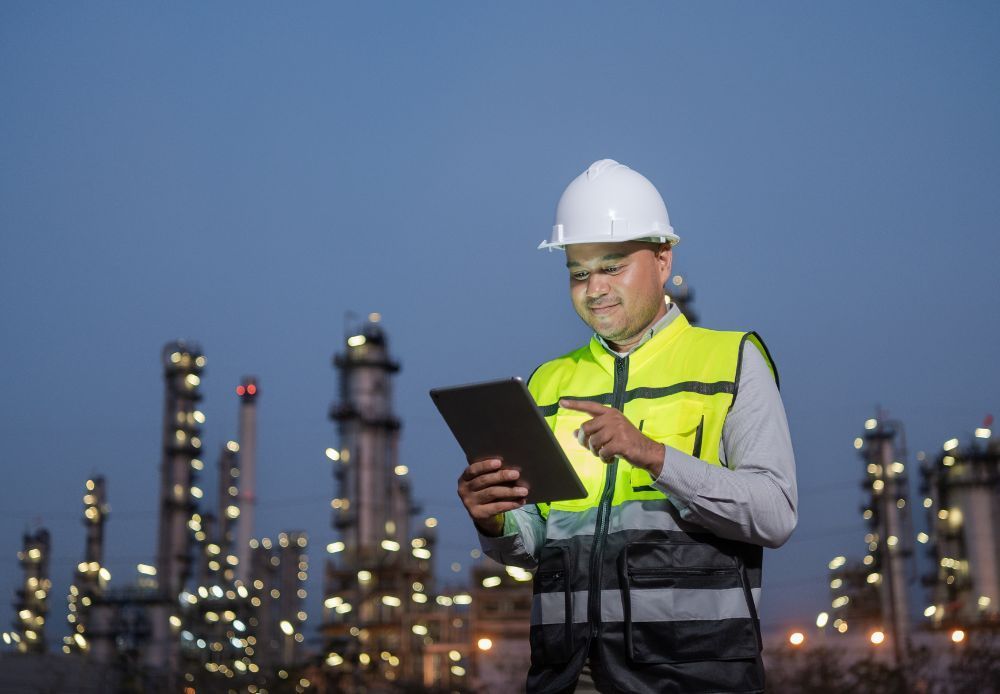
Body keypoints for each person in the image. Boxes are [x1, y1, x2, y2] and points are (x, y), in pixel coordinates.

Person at [456, 159, 797, 693]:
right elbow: (537, 544)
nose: (595, 289)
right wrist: (494, 522)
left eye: (612, 267)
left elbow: (775, 515)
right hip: (566, 676)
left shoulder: (731, 359)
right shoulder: (550, 381)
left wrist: (655, 456)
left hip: (692, 675)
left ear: (663, 259)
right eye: (579, 272)